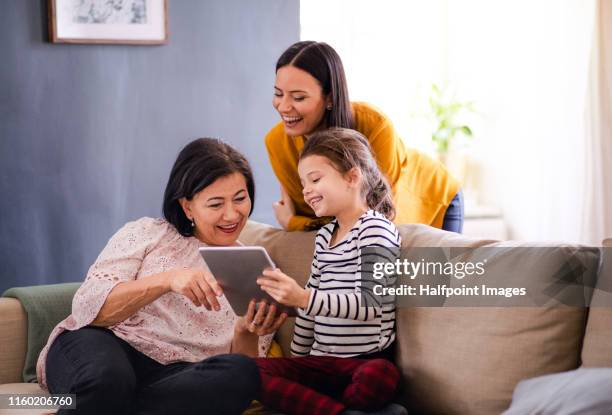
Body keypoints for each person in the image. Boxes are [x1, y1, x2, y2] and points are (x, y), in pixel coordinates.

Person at [36, 138, 287, 415]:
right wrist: (168, 280)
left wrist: (245, 330)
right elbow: (89, 310)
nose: (232, 214)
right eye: (216, 204)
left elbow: (244, 370)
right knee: (108, 381)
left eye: (240, 199)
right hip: (108, 344)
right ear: (187, 206)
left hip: (176, 377)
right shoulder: (147, 233)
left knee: (242, 374)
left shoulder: (258, 269)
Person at [255, 128, 406, 415]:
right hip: (323, 365)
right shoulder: (324, 236)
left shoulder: (376, 229)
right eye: (303, 183)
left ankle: (317, 406)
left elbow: (372, 304)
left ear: (352, 177)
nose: (306, 190)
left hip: (362, 363)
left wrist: (303, 298)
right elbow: (309, 316)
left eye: (315, 179)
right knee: (247, 371)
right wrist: (298, 363)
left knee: (381, 377)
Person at [266, 40, 464, 233]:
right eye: (278, 94)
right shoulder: (277, 143)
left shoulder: (375, 125)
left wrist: (292, 222)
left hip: (433, 198)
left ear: (330, 97)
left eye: (298, 97)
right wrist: (301, 222)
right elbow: (315, 211)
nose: (283, 107)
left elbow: (374, 211)